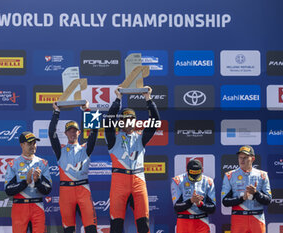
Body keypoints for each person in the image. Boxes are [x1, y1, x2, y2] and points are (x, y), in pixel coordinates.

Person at [105, 86, 160, 233]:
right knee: (116, 226)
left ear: (135, 121)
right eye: (125, 119)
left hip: (138, 182)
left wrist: (148, 98)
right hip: (119, 184)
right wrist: (117, 99)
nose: (128, 122)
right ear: (120, 121)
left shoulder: (141, 137)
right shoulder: (113, 138)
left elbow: (155, 121)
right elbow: (108, 121)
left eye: (131, 119)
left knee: (143, 224)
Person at [48, 101, 98, 233]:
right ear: (65, 133)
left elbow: (95, 130)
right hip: (66, 192)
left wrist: (87, 110)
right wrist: (56, 112)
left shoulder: (86, 148)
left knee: (91, 228)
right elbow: (51, 132)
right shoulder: (60, 150)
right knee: (68, 230)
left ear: (79, 132)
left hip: (83, 190)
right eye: (69, 131)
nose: (72, 133)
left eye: (74, 130)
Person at [5, 131, 52, 233]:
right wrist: (25, 182)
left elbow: (48, 189)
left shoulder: (43, 163)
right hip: (19, 207)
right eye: (29, 143)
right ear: (22, 145)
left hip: (37, 206)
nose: (32, 146)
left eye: (34, 143)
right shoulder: (13, 164)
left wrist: (38, 181)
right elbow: (8, 190)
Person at [221, 145, 272, 233]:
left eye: (245, 157)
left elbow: (268, 200)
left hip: (257, 218)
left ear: (253, 159)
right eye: (240, 157)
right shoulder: (230, 175)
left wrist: (256, 193)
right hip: (238, 219)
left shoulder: (262, 175)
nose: (242, 160)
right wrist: (242, 198)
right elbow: (225, 201)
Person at [171, 159, 216, 233]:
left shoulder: (208, 181)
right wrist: (191, 201)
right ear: (187, 171)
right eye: (192, 176)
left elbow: (212, 208)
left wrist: (200, 204)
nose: (194, 179)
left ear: (201, 171)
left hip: (202, 222)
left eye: (197, 176)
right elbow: (177, 207)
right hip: (184, 223)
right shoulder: (177, 181)